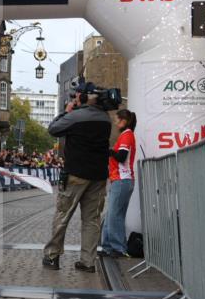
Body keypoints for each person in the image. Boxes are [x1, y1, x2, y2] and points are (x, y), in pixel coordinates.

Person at [42, 84, 112, 273]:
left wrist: (66, 112)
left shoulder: (76, 116)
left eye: (77, 95)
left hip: (76, 175)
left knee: (62, 215)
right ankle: (88, 261)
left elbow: (53, 129)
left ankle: (52, 256)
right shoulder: (105, 118)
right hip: (98, 176)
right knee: (92, 220)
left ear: (82, 97)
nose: (75, 98)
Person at [100, 110, 137, 258]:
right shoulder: (125, 135)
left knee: (115, 215)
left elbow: (121, 157)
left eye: (117, 120)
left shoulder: (127, 135)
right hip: (120, 180)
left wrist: (109, 152)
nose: (115, 123)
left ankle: (117, 247)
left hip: (122, 179)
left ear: (124, 121)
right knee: (112, 214)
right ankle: (109, 246)